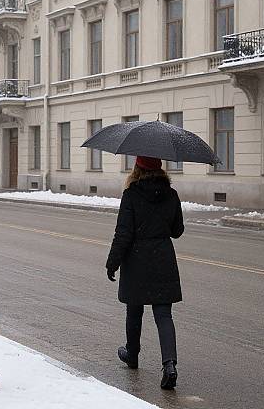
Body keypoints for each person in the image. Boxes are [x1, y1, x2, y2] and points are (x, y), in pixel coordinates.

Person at [106, 155, 184, 390]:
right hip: (162, 256)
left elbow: (123, 234)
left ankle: (132, 354)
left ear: (137, 168)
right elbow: (177, 230)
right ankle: (169, 365)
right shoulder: (171, 194)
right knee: (163, 315)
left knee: (134, 308)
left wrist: (113, 263)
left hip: (137, 257)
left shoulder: (131, 195)